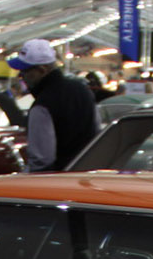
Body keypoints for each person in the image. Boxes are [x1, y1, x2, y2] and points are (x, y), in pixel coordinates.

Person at [8, 37, 97, 171]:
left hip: (57, 180)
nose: (21, 76)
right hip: (86, 174)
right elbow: (96, 132)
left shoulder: (43, 104)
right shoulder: (83, 90)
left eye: (25, 70)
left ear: (42, 70)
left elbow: (42, 159)